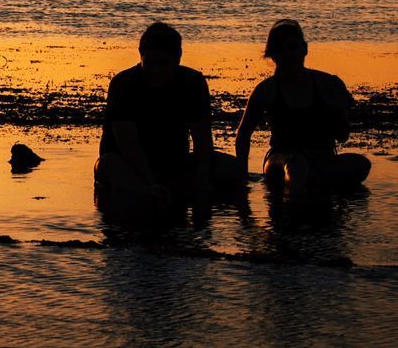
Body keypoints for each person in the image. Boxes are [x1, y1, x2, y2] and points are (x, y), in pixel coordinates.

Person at [95, 21, 241, 208]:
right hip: (128, 165)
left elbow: (202, 139)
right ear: (141, 56)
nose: (156, 70)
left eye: (164, 63)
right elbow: (128, 144)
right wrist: (151, 183)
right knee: (107, 164)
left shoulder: (192, 82)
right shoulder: (123, 84)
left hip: (175, 163)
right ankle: (151, 192)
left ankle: (174, 191)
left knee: (233, 168)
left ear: (178, 59)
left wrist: (202, 180)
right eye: (150, 63)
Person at [235, 19, 371, 194]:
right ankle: (300, 193)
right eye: (281, 50)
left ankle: (314, 182)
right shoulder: (267, 89)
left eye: (293, 48)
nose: (289, 55)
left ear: (304, 49)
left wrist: (335, 107)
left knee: (361, 164)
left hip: (321, 158)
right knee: (296, 166)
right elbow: (244, 133)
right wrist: (241, 176)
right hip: (280, 159)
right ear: (273, 55)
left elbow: (343, 136)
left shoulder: (326, 83)